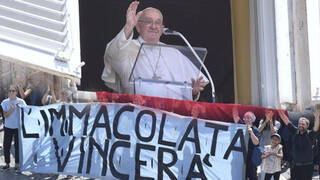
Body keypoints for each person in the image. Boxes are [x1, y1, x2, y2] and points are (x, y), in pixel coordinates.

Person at [102, 1, 207, 100]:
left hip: (169, 116)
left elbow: (187, 89)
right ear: (138, 26)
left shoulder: (173, 53)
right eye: (148, 22)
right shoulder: (126, 48)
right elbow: (113, 55)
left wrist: (192, 91)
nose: (153, 26)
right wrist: (128, 26)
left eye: (158, 23)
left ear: (162, 28)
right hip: (135, 114)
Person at [278, 109, 320, 180]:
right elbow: (286, 121)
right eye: (299, 124)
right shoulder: (295, 131)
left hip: (307, 166)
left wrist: (317, 116)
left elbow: (316, 127)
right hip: (295, 166)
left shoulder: (310, 134)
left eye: (303, 124)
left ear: (307, 126)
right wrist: (279, 110)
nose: (300, 125)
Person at [1, 85, 26, 170]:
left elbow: (26, 113)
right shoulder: (4, 102)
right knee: (6, 145)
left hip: (17, 127)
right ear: (8, 92)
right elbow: (5, 115)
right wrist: (12, 109)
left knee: (17, 146)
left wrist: (20, 108)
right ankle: (7, 163)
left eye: (13, 91)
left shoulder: (21, 101)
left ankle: (17, 164)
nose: (11, 92)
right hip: (8, 127)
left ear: (16, 92)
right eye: (10, 91)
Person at [233, 108, 261, 180]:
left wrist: (251, 132)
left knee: (252, 176)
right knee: (242, 175)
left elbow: (256, 142)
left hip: (251, 157)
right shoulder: (241, 126)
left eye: (248, 117)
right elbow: (235, 116)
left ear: (252, 119)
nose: (246, 119)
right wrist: (234, 106)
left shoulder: (255, 130)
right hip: (241, 156)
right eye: (245, 117)